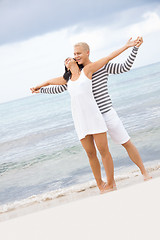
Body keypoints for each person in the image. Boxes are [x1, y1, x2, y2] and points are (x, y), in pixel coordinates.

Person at [31, 38, 151, 193]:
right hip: (89, 118)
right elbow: (60, 88)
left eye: (78, 53)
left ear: (87, 52)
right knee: (94, 152)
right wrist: (40, 90)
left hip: (106, 113)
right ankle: (107, 183)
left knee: (125, 142)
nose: (76, 56)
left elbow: (126, 66)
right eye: (74, 54)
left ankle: (144, 172)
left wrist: (134, 48)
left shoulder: (101, 67)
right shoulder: (74, 75)